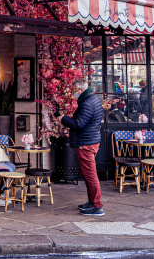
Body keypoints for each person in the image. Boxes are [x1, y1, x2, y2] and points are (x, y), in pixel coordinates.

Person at [57, 78, 104, 216]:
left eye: (74, 91)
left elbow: (78, 124)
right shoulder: (91, 100)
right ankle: (91, 202)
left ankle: (97, 205)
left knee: (90, 175)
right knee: (88, 174)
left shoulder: (87, 103)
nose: (73, 94)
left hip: (86, 143)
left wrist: (63, 119)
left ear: (80, 90)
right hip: (90, 141)